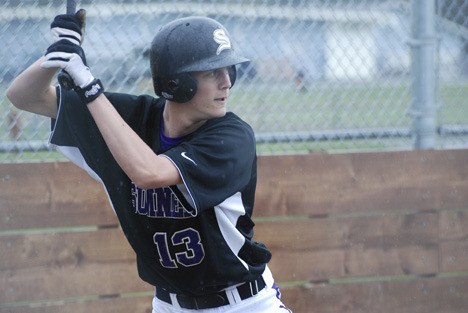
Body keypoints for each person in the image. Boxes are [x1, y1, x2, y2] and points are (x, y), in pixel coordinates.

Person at [7, 9, 292, 313]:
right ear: (177, 82)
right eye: (212, 72)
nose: (227, 82)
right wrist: (59, 54)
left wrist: (89, 89)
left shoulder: (233, 137)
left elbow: (147, 172)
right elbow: (24, 96)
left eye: (228, 70)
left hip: (244, 304)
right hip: (169, 305)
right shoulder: (130, 117)